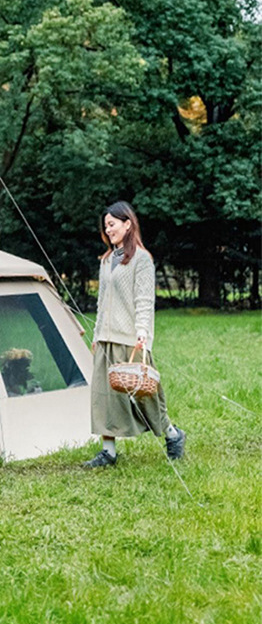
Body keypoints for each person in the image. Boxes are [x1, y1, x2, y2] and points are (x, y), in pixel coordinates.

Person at [84, 200, 186, 469]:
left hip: (130, 339)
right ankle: (108, 452)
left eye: (113, 225)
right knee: (103, 397)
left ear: (128, 224)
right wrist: (96, 334)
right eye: (105, 226)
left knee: (145, 397)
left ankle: (173, 435)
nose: (108, 230)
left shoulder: (142, 259)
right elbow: (101, 301)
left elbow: (144, 301)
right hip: (106, 339)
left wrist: (143, 334)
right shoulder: (107, 260)